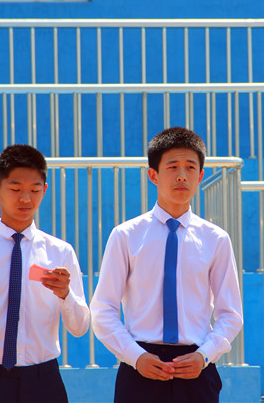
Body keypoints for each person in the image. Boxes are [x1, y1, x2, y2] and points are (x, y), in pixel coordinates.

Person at [90, 127, 243, 403]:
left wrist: (204, 355)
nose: (182, 175)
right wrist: (136, 357)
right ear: (154, 175)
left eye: (190, 167)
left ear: (200, 176)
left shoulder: (216, 239)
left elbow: (231, 314)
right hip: (140, 369)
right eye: (172, 167)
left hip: (196, 369)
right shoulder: (126, 235)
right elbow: (103, 310)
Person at [0, 144, 90, 403]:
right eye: (15, 189)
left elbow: (80, 327)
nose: (25, 199)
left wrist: (65, 295)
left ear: (45, 190)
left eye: (35, 190)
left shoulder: (60, 252)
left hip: (44, 381)